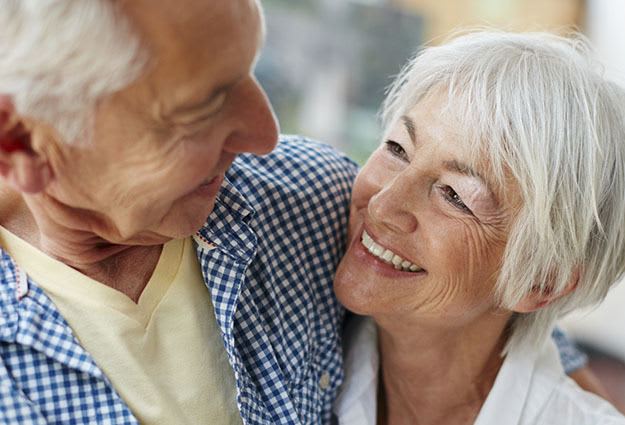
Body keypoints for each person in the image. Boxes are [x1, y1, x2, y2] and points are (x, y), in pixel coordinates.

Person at [0, 3, 598, 425]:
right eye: (202, 106)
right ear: (22, 145)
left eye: (249, 73)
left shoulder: (308, 196)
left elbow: (504, 292)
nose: (266, 134)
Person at [332, 31, 625, 425]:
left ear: (540, 282)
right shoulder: (303, 353)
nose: (383, 205)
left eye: (455, 196)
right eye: (398, 149)